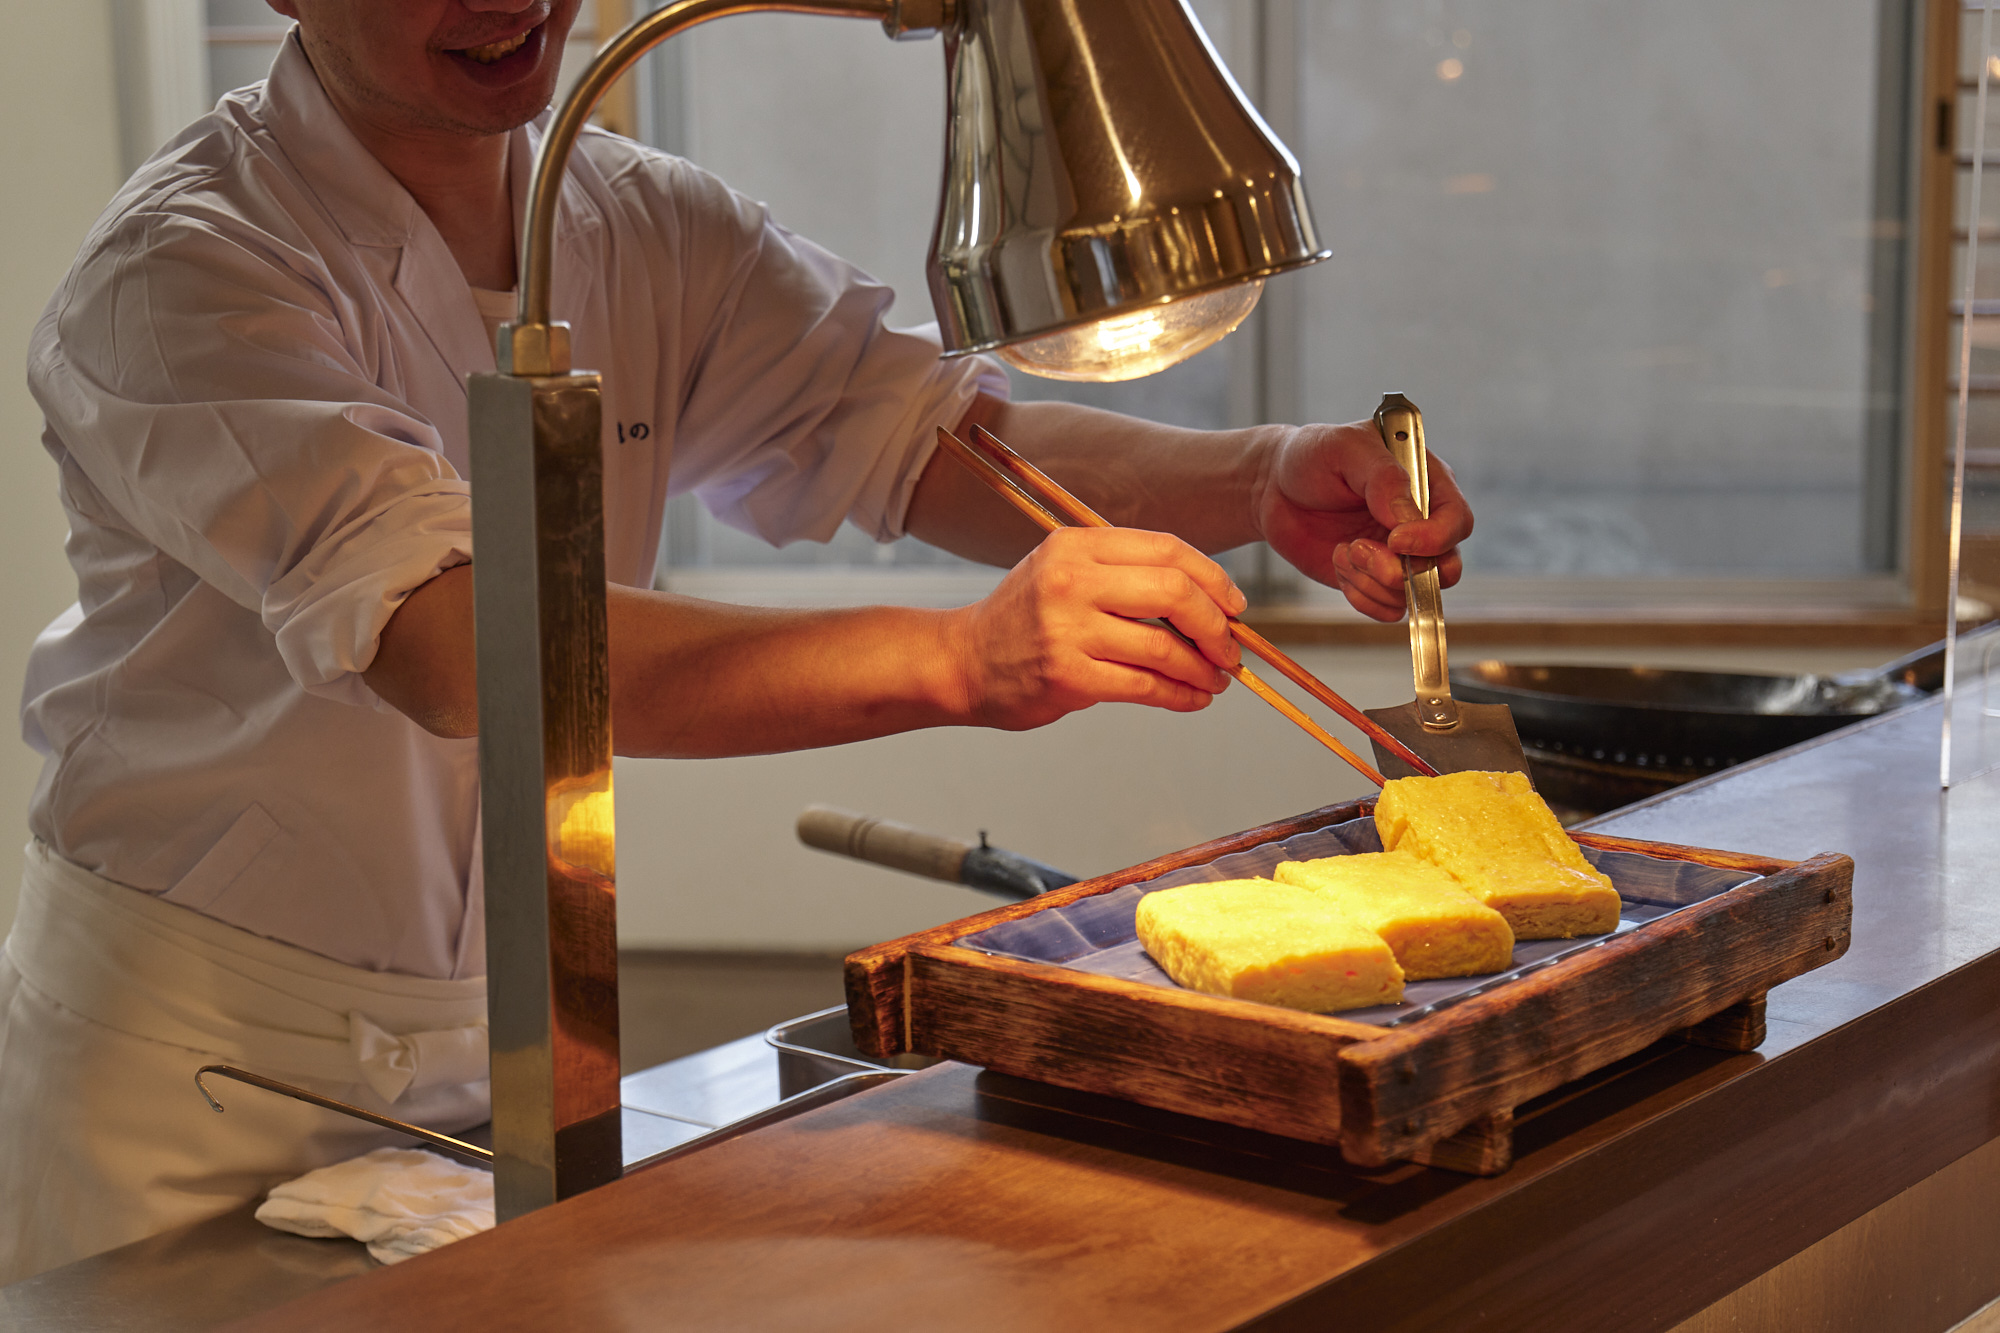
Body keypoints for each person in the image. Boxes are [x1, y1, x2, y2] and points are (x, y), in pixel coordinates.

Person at [0, 0, 1472, 1282]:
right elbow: (454, 646)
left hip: (501, 1034)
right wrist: (962, 664)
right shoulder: (179, 277)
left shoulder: (635, 218)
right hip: (190, 1071)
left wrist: (1260, 479)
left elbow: (935, 438)